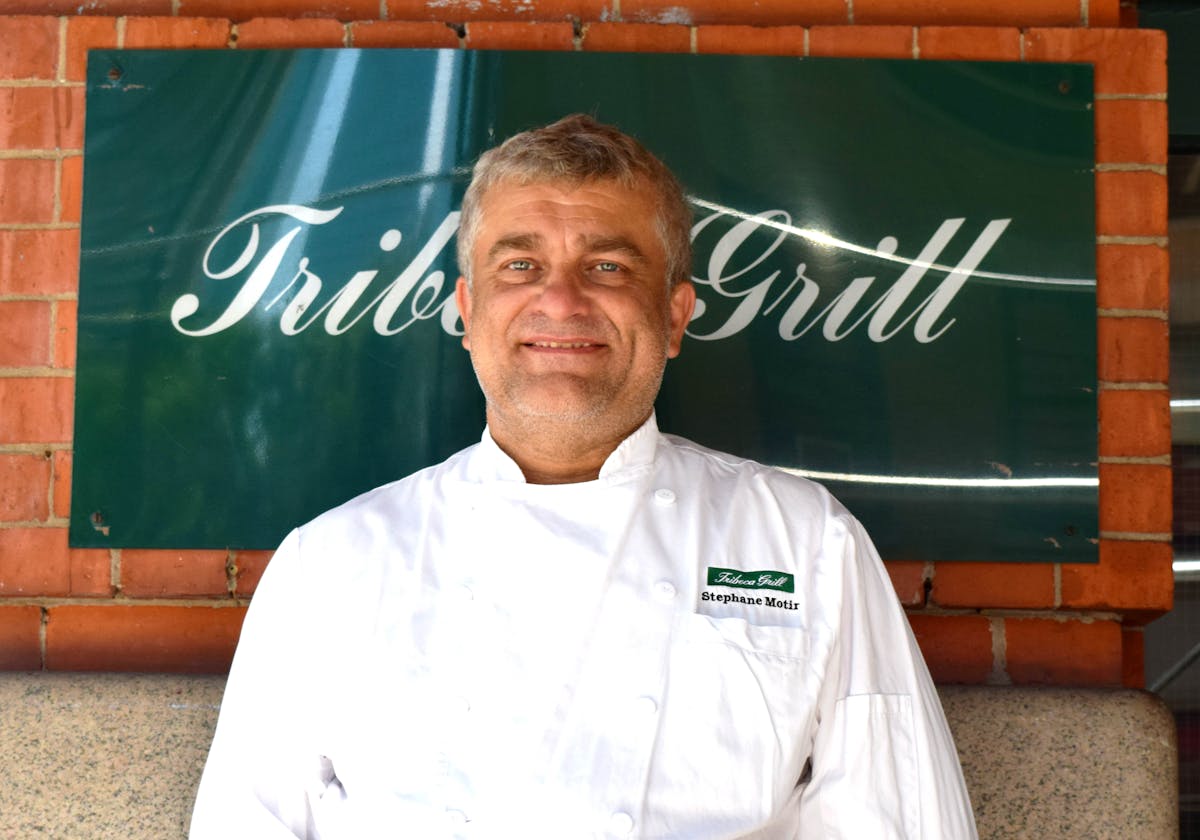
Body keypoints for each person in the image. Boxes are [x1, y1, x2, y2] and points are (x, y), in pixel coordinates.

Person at [190, 114, 978, 839]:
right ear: (468, 312)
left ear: (674, 317)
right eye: (520, 264)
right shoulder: (328, 566)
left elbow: (903, 821)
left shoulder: (806, 543)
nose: (559, 300)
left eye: (606, 265)